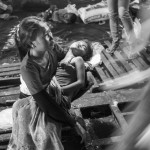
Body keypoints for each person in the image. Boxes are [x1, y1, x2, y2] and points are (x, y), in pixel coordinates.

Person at [7, 16, 86, 150]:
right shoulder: (28, 68)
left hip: (48, 90)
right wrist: (72, 123)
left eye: (49, 32)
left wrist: (80, 58)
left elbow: (66, 55)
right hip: (33, 98)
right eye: (45, 36)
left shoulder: (52, 48)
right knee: (46, 135)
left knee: (86, 82)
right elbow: (45, 103)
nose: (51, 37)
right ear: (32, 43)